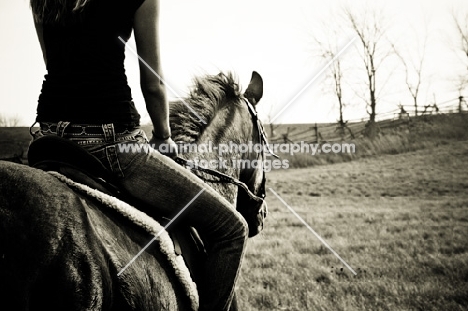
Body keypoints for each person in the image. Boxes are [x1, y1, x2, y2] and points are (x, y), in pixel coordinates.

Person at [29, 0, 248, 310]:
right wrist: (163, 135)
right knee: (231, 229)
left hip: (48, 139)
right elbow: (154, 83)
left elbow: (53, 63)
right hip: (111, 143)